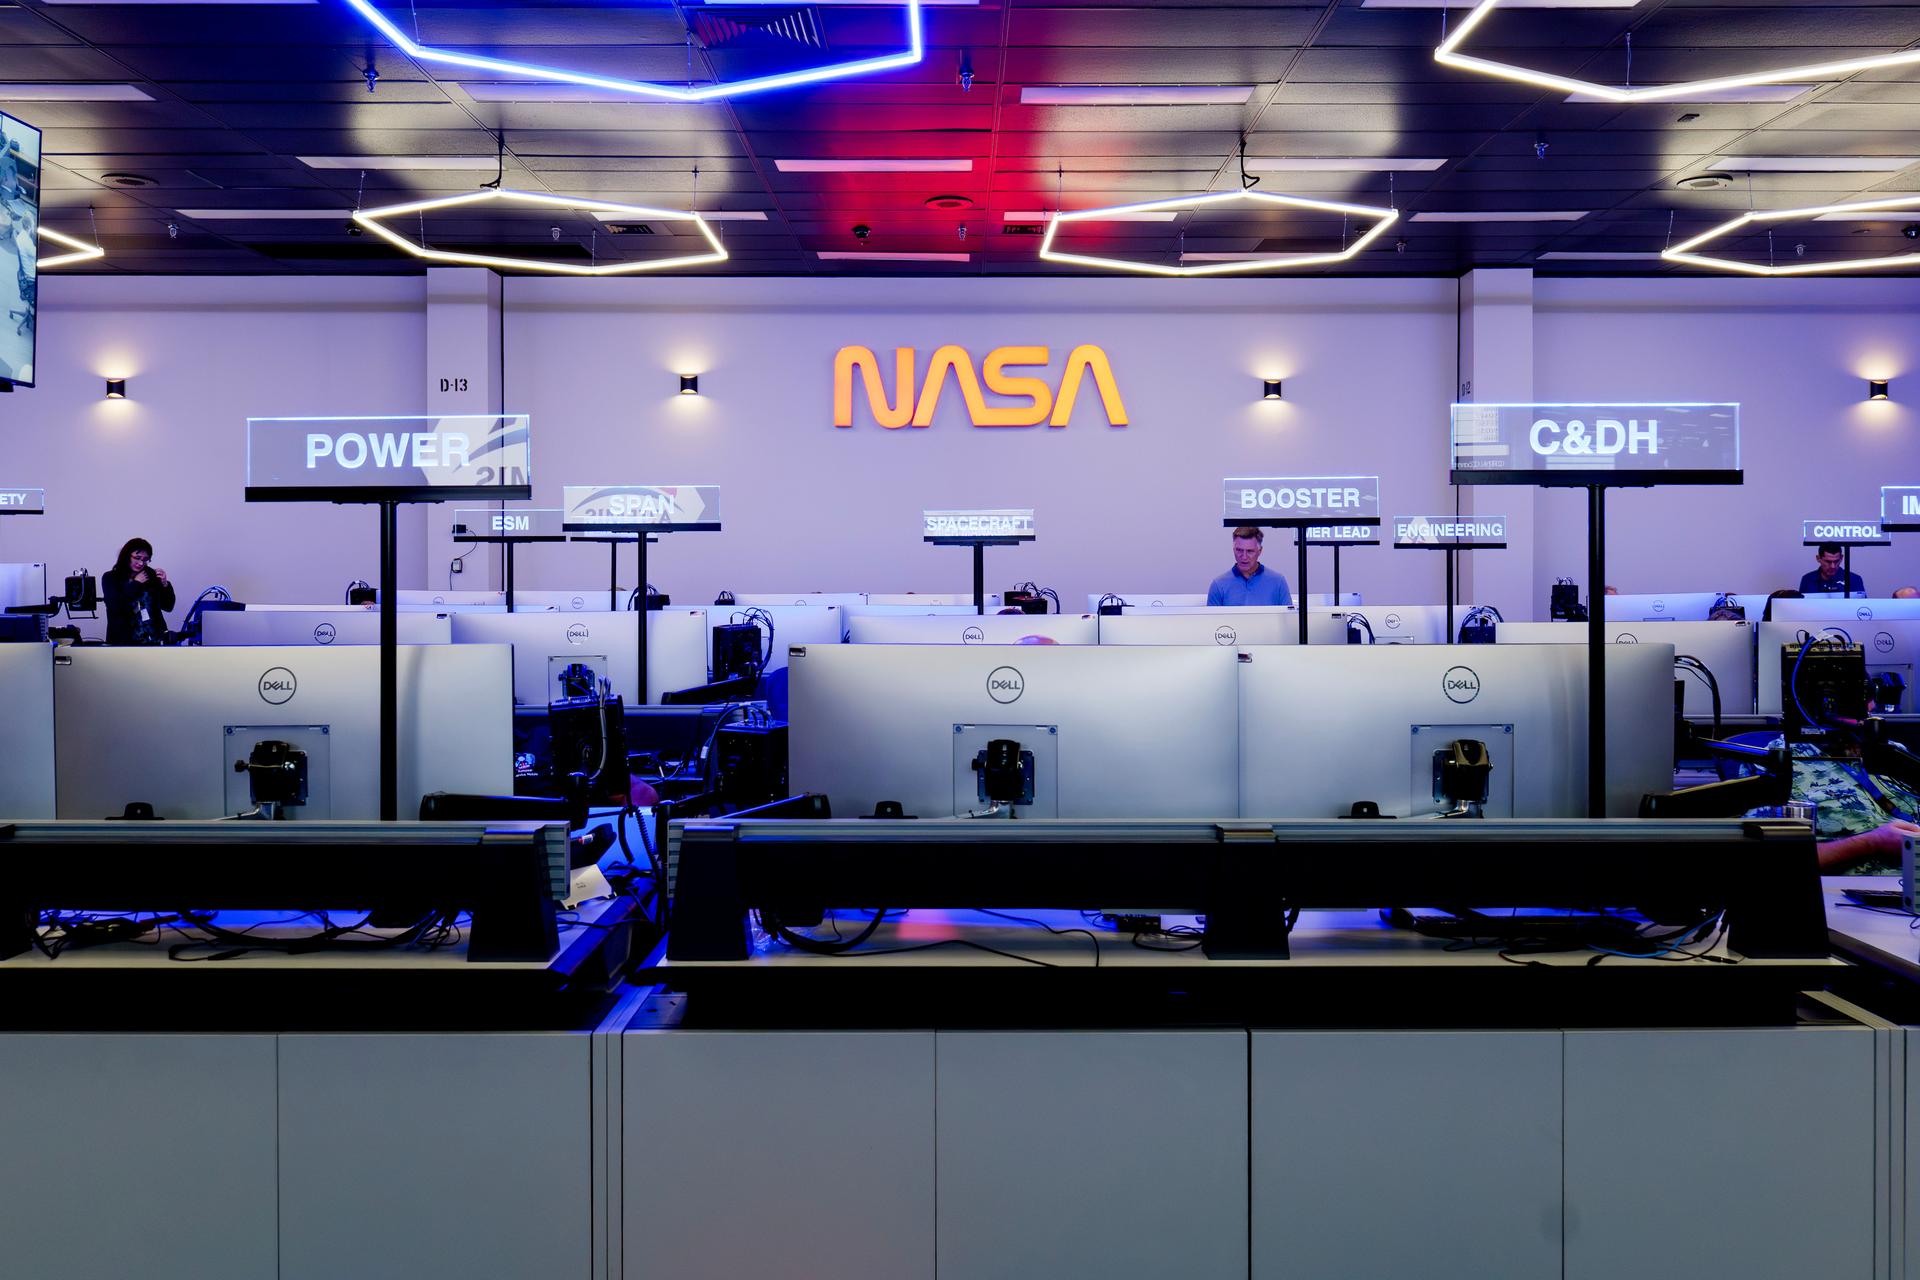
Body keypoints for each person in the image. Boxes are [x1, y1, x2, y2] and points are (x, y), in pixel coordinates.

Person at [102, 537, 175, 645]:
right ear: (126, 555)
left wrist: (165, 584)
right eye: (137, 558)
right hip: (123, 642)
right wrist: (136, 584)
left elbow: (168, 606)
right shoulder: (111, 577)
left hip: (154, 641)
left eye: (145, 559)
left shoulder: (151, 575)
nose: (141, 563)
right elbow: (115, 606)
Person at [1207, 526, 1291, 607]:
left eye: (1250, 551)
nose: (1244, 557)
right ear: (1233, 549)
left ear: (1260, 551)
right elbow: (1212, 617)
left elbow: (1289, 616)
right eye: (1239, 550)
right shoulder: (1218, 585)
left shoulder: (1278, 582)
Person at [1799, 543, 1866, 597]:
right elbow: (1802, 606)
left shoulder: (1854, 580)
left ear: (1841, 558)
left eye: (1836, 561)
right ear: (1818, 558)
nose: (1833, 566)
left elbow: (1861, 607)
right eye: (1828, 562)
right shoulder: (1807, 579)